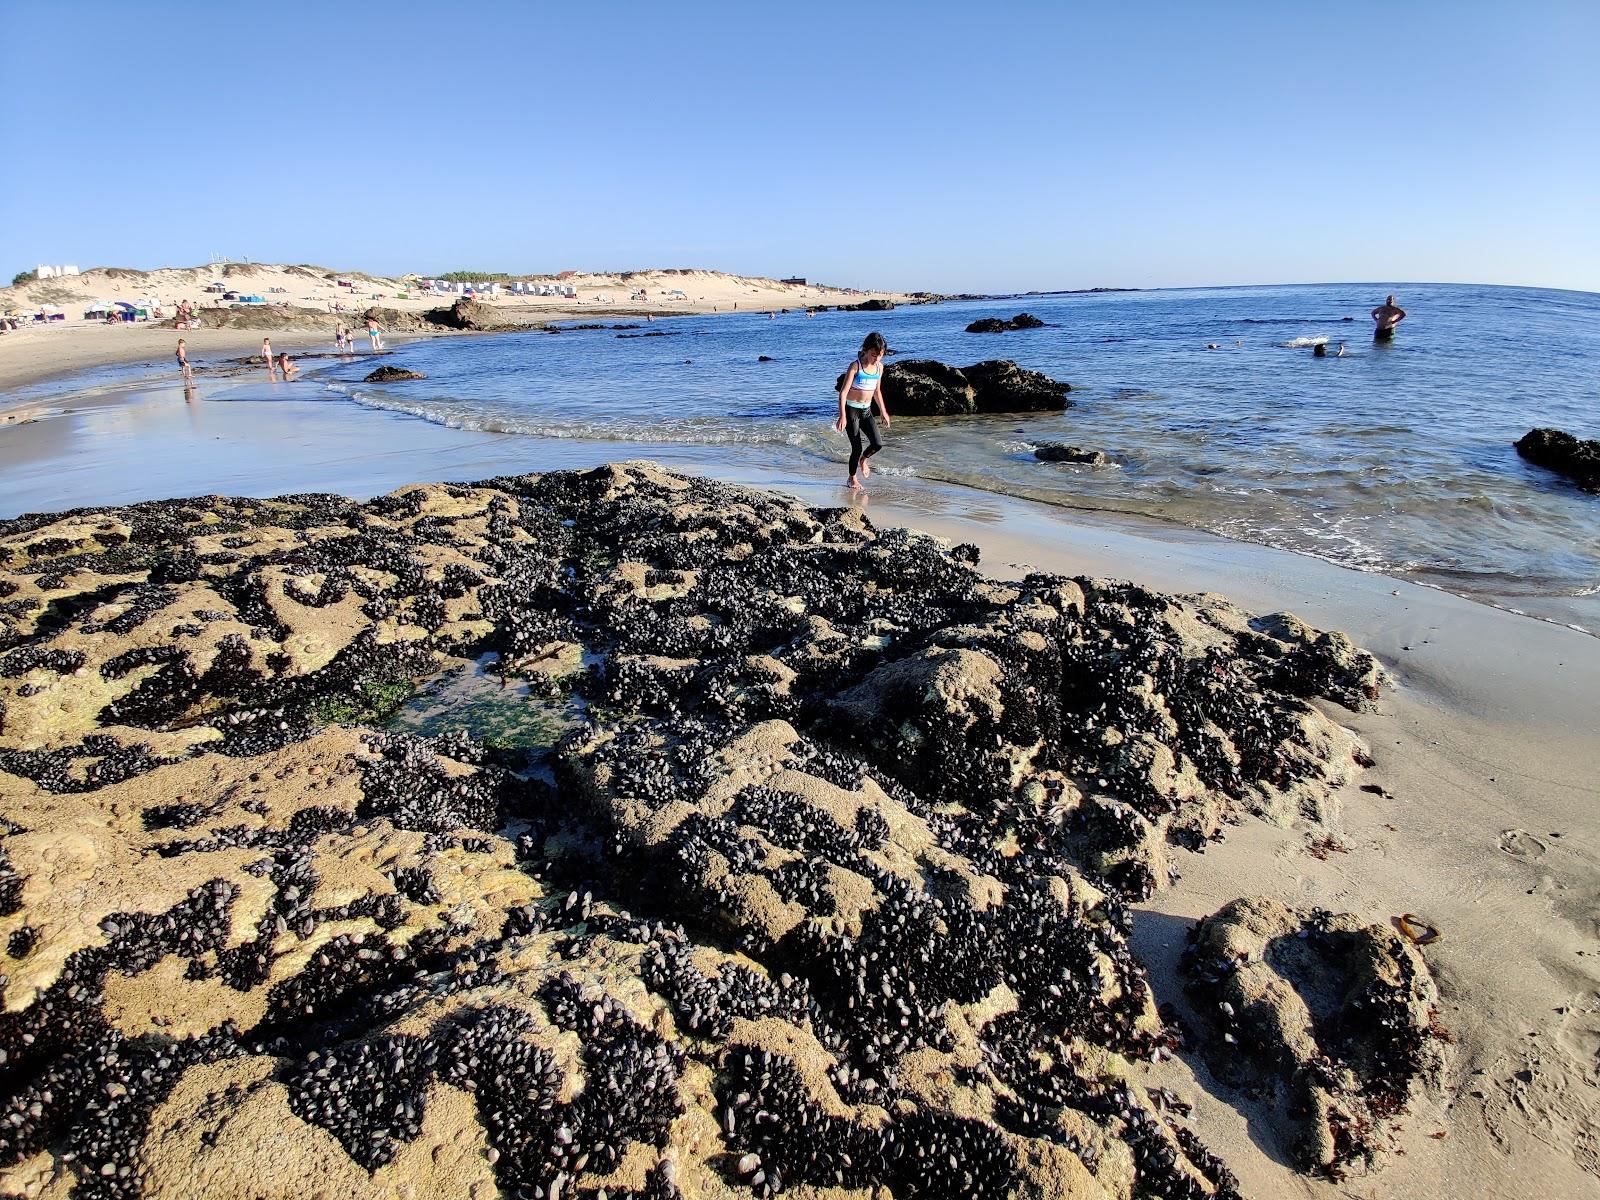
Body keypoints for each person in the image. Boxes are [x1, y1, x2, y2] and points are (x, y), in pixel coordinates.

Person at [836, 331, 892, 489]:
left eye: (880, 355)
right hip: (851, 410)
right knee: (857, 447)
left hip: (866, 411)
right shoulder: (855, 366)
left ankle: (863, 459)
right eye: (874, 355)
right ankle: (851, 478)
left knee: (877, 443)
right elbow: (843, 393)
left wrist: (883, 412)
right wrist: (842, 416)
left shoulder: (879, 367)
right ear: (866, 350)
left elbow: (877, 391)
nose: (877, 359)